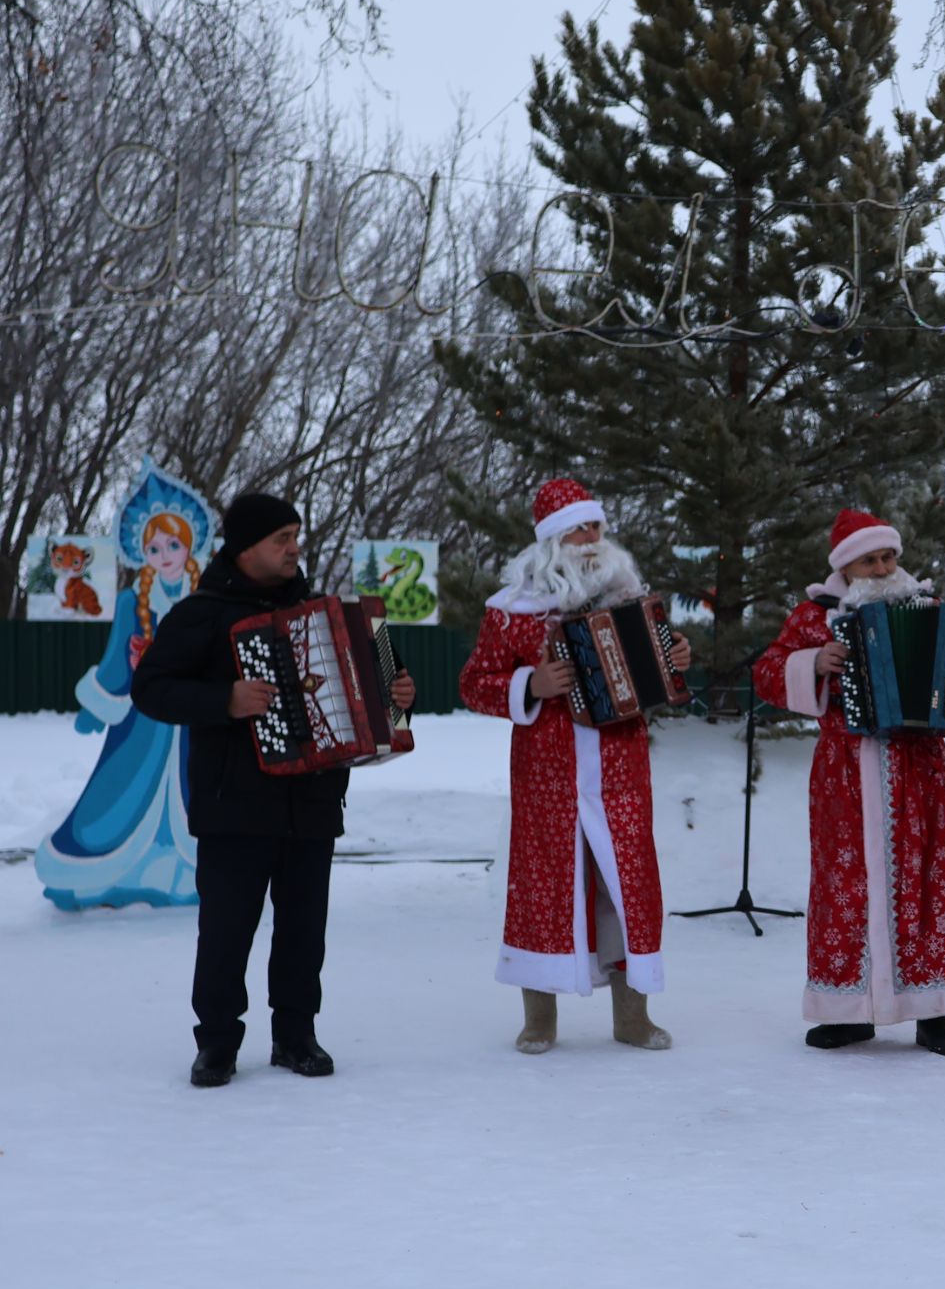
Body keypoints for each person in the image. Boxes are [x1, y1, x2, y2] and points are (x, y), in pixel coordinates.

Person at [131, 493, 415, 1087]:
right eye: (282, 538)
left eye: (296, 536)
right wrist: (224, 701)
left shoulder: (325, 609)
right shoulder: (201, 613)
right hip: (231, 805)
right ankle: (216, 1044)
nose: (294, 548)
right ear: (245, 547)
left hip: (312, 803)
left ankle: (295, 1035)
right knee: (227, 931)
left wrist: (401, 696)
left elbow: (387, 674)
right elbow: (150, 689)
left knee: (304, 930)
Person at [751, 509, 945, 1055]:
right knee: (845, 884)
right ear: (847, 565)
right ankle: (847, 1010)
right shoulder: (816, 616)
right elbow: (768, 673)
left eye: (890, 556)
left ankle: (933, 1010)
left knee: (928, 879)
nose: (884, 566)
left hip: (919, 767)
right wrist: (813, 663)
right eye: (871, 559)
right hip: (846, 769)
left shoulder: (929, 609)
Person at [458, 478, 690, 1056]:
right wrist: (528, 684)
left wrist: (676, 657)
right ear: (551, 540)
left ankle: (632, 1016)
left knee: (624, 885)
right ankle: (540, 1017)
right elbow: (473, 685)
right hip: (548, 771)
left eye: (596, 527)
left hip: (619, 769)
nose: (590, 538)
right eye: (578, 529)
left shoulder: (630, 598)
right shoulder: (511, 612)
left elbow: (658, 676)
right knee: (546, 884)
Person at [37, 461, 216, 910]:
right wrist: (96, 707)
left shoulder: (209, 598)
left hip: (195, 718)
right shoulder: (131, 601)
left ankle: (187, 874)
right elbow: (117, 656)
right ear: (142, 552)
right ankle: (99, 872)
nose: (164, 554)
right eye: (154, 547)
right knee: (123, 789)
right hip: (144, 720)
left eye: (173, 544)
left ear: (190, 545)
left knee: (197, 792)